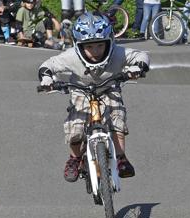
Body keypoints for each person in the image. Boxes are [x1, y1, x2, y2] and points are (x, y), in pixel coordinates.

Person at [38, 12, 150, 182]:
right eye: (89, 47)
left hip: (109, 88)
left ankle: (121, 158)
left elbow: (141, 55)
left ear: (109, 42)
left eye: (100, 45)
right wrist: (47, 78)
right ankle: (74, 158)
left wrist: (138, 68)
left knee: (116, 119)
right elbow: (49, 65)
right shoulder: (71, 56)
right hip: (80, 90)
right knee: (75, 127)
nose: (95, 51)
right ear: (79, 45)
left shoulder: (117, 53)